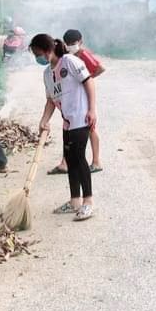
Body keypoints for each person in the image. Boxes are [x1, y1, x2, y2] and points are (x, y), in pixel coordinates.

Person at [30, 33, 97, 221]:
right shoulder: (47, 74)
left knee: (79, 158)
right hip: (67, 121)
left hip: (81, 117)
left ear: (48, 50)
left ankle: (88, 202)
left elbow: (89, 82)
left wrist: (92, 109)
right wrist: (44, 120)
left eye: (38, 53)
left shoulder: (69, 61)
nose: (37, 58)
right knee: (70, 159)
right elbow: (51, 101)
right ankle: (75, 201)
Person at [47, 28, 105, 176]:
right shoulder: (67, 57)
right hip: (73, 99)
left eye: (73, 43)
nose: (70, 45)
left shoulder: (83, 54)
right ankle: (65, 163)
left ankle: (96, 161)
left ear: (80, 42)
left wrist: (85, 80)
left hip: (84, 97)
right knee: (68, 128)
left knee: (90, 127)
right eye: (68, 43)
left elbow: (100, 68)